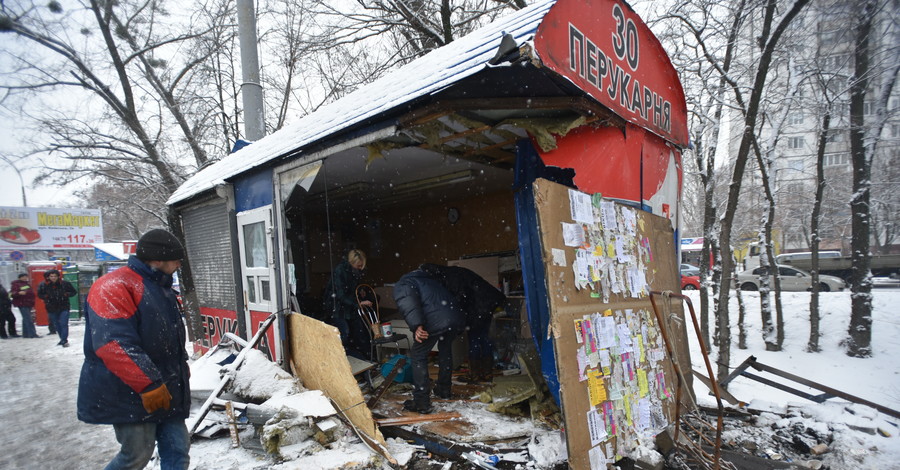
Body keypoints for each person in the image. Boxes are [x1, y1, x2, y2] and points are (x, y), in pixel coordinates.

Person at [77, 228, 191, 470]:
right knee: (136, 455)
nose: (180, 263)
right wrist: (149, 384)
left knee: (178, 450)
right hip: (130, 389)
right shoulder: (114, 286)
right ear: (157, 259)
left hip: (167, 386)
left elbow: (166, 338)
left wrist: (180, 371)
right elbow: (113, 344)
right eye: (176, 258)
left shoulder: (161, 286)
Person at [393, 268, 465, 414]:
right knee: (445, 351)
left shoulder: (404, 283)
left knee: (418, 354)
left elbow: (408, 302)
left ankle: (421, 402)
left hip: (437, 320)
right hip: (454, 318)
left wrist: (417, 325)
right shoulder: (431, 281)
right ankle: (444, 390)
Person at [419, 263, 506, 383]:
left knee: (474, 338)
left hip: (479, 305)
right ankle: (487, 374)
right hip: (486, 302)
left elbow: (460, 299)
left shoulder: (449, 278)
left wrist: (458, 323)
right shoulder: (451, 273)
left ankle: (474, 375)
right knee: (483, 338)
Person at [323, 249, 371, 359]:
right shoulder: (340, 271)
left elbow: (355, 284)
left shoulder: (355, 271)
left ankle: (365, 359)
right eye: (359, 266)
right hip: (337, 307)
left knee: (360, 332)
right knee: (344, 334)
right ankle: (341, 359)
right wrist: (358, 303)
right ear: (352, 262)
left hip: (350, 306)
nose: (360, 268)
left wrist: (360, 290)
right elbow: (340, 295)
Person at [38, 269, 77, 347]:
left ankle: (64, 340)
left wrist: (66, 294)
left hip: (64, 306)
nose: (53, 278)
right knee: (57, 324)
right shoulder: (44, 285)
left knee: (64, 323)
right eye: (51, 276)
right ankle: (62, 339)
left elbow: (74, 292)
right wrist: (46, 297)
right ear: (48, 277)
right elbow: (39, 294)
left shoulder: (65, 284)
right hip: (51, 307)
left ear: (58, 276)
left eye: (55, 276)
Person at [10, 273, 38, 338]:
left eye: (26, 276)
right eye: (23, 277)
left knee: (26, 319)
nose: (25, 278)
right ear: (19, 278)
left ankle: (26, 334)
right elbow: (12, 293)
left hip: (28, 303)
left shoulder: (26, 284)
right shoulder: (16, 284)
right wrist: (18, 293)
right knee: (28, 319)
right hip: (22, 303)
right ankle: (32, 334)